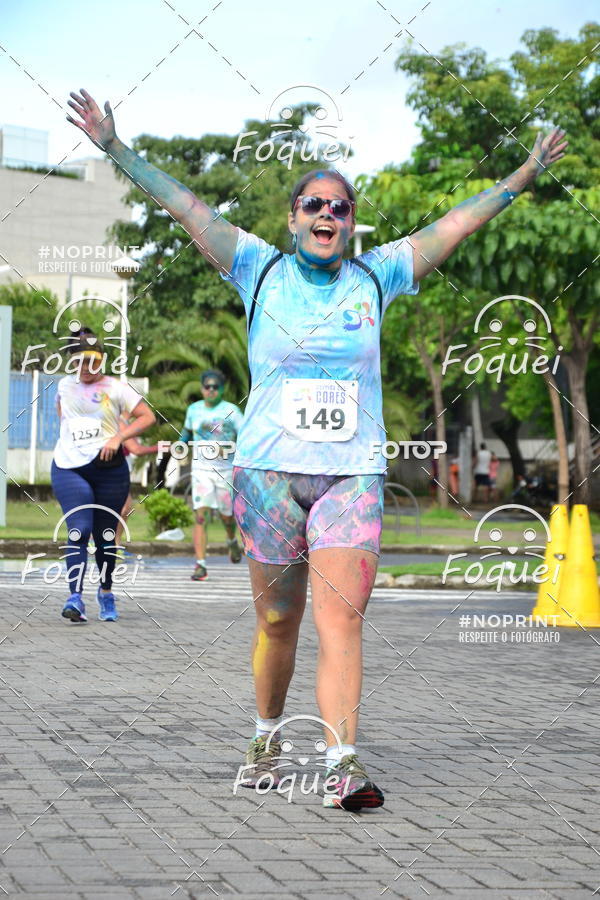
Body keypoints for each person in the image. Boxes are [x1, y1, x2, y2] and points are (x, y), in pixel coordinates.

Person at [67, 88, 566, 809]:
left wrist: (521, 176)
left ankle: (342, 766)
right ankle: (267, 733)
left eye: (340, 208)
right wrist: (114, 148)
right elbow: (185, 206)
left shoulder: (379, 275)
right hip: (265, 477)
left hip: (350, 479)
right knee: (277, 622)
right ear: (293, 218)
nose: (327, 215)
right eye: (314, 206)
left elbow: (454, 225)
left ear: (351, 223)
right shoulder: (257, 268)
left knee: (342, 620)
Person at [52, 331, 155, 622]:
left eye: (92, 362)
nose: (86, 368)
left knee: (106, 536)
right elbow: (62, 416)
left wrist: (118, 437)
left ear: (101, 361)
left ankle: (106, 592)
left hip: (110, 470)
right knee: (79, 529)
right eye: (80, 362)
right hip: (69, 466)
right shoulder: (64, 385)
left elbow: (147, 417)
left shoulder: (118, 388)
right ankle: (75, 598)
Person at [179, 369, 244, 580]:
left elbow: (244, 436)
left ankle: (231, 540)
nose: (211, 390)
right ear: (202, 388)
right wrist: (180, 445)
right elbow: (187, 432)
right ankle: (200, 565)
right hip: (201, 471)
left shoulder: (232, 411)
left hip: (225, 470)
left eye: (216, 387)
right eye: (207, 386)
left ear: (223, 389)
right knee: (200, 515)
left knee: (227, 516)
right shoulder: (193, 410)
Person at [114, 419, 159, 553]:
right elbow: (136, 449)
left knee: (125, 508)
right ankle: (97, 542)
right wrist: (161, 447)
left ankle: (115, 545)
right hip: (110, 469)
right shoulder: (117, 419)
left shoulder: (125, 420)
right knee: (121, 508)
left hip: (121, 467)